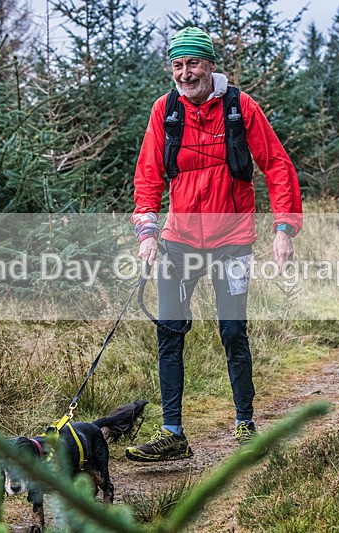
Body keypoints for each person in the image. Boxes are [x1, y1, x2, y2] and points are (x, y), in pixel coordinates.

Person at [125, 27, 302, 462]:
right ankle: (172, 433)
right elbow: (148, 175)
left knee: (232, 332)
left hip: (232, 242)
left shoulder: (241, 108)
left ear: (210, 65)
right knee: (169, 332)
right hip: (179, 242)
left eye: (193, 64)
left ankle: (245, 423)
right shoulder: (165, 110)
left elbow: (277, 165)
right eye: (178, 65)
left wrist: (284, 228)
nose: (185, 73)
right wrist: (146, 232)